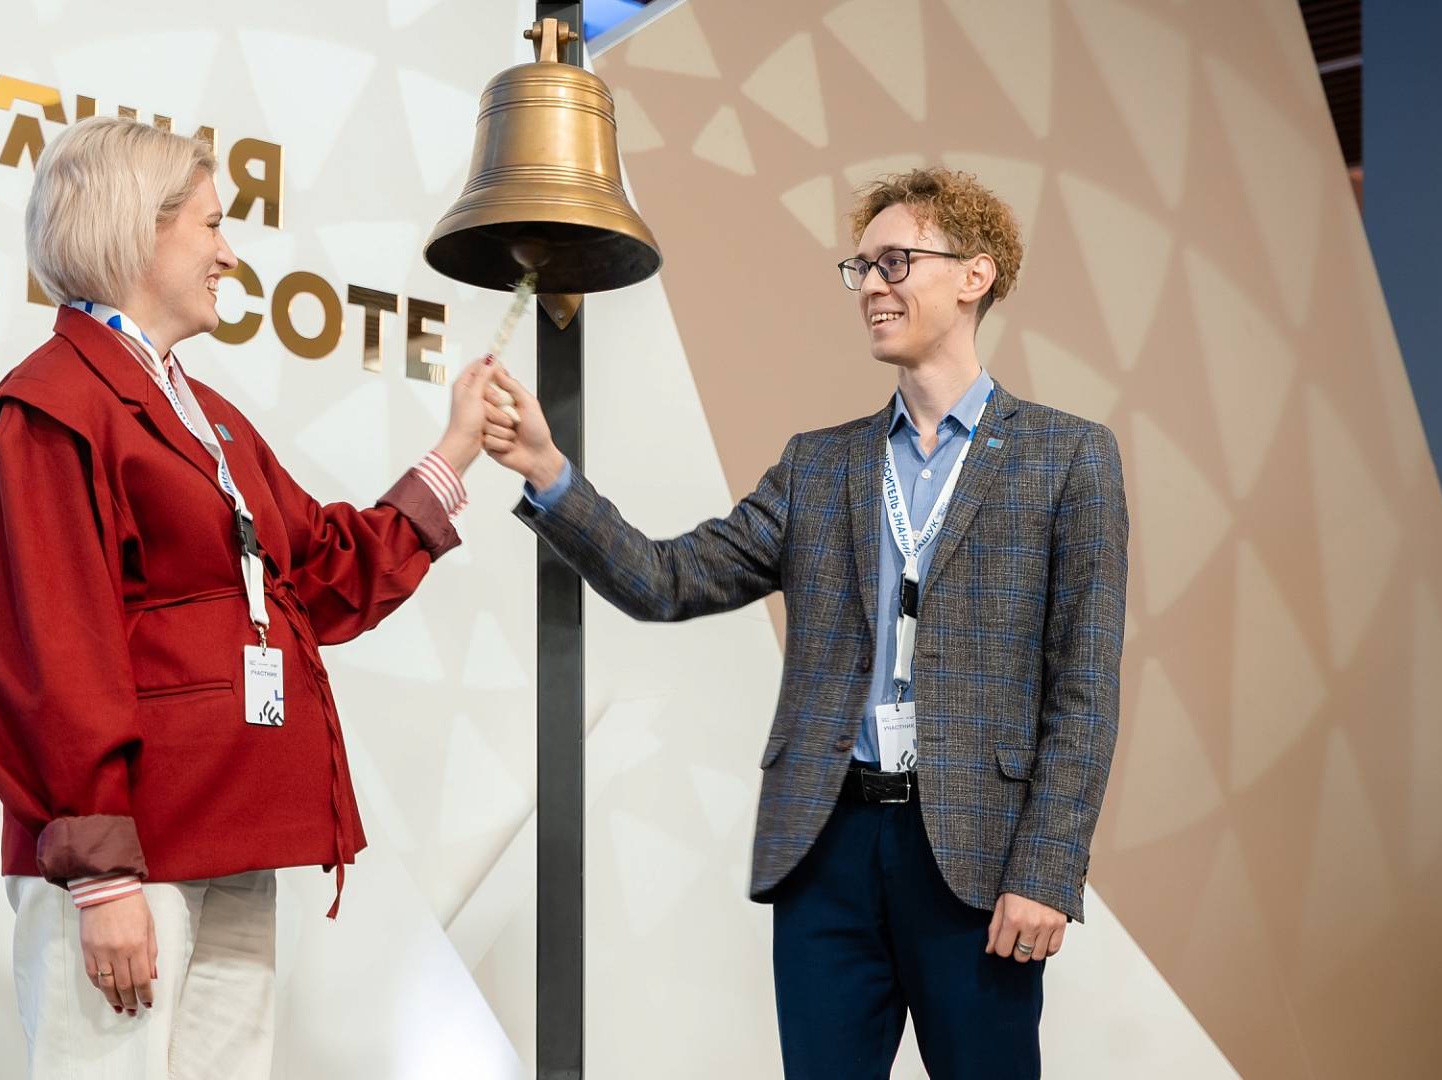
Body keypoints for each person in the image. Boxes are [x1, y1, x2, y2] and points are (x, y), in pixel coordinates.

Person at [481, 167, 1128, 1079]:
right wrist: (551, 474)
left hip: (978, 857)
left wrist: (1047, 869)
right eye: (860, 268)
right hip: (827, 850)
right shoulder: (818, 467)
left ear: (974, 275)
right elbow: (668, 579)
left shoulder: (1069, 457)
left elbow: (1085, 689)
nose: (871, 286)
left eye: (895, 262)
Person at [0, 116, 494, 1079]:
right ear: (136, 229)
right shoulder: (51, 411)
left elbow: (321, 573)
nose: (230, 255)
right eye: (210, 225)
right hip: (129, 861)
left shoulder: (209, 419)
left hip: (231, 833)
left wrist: (453, 453)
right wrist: (101, 874)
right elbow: (50, 654)